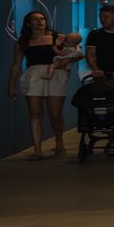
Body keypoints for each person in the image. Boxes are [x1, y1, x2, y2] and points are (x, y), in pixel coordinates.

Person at [7, 10, 67, 159]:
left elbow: (75, 54)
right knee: (35, 113)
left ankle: (59, 142)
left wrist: (64, 63)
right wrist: (11, 85)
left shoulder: (58, 38)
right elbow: (16, 64)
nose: (41, 21)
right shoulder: (22, 42)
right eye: (36, 19)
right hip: (32, 76)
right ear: (28, 23)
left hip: (55, 76)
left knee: (55, 114)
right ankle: (37, 150)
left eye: (43, 19)